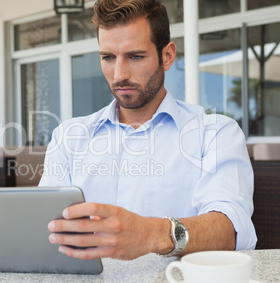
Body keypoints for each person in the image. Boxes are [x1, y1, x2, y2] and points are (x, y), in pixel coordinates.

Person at [39, 0, 256, 260]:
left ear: (167, 56)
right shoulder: (68, 137)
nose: (119, 74)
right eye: (108, 57)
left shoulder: (216, 133)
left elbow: (231, 229)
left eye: (135, 56)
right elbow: (46, 228)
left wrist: (152, 234)